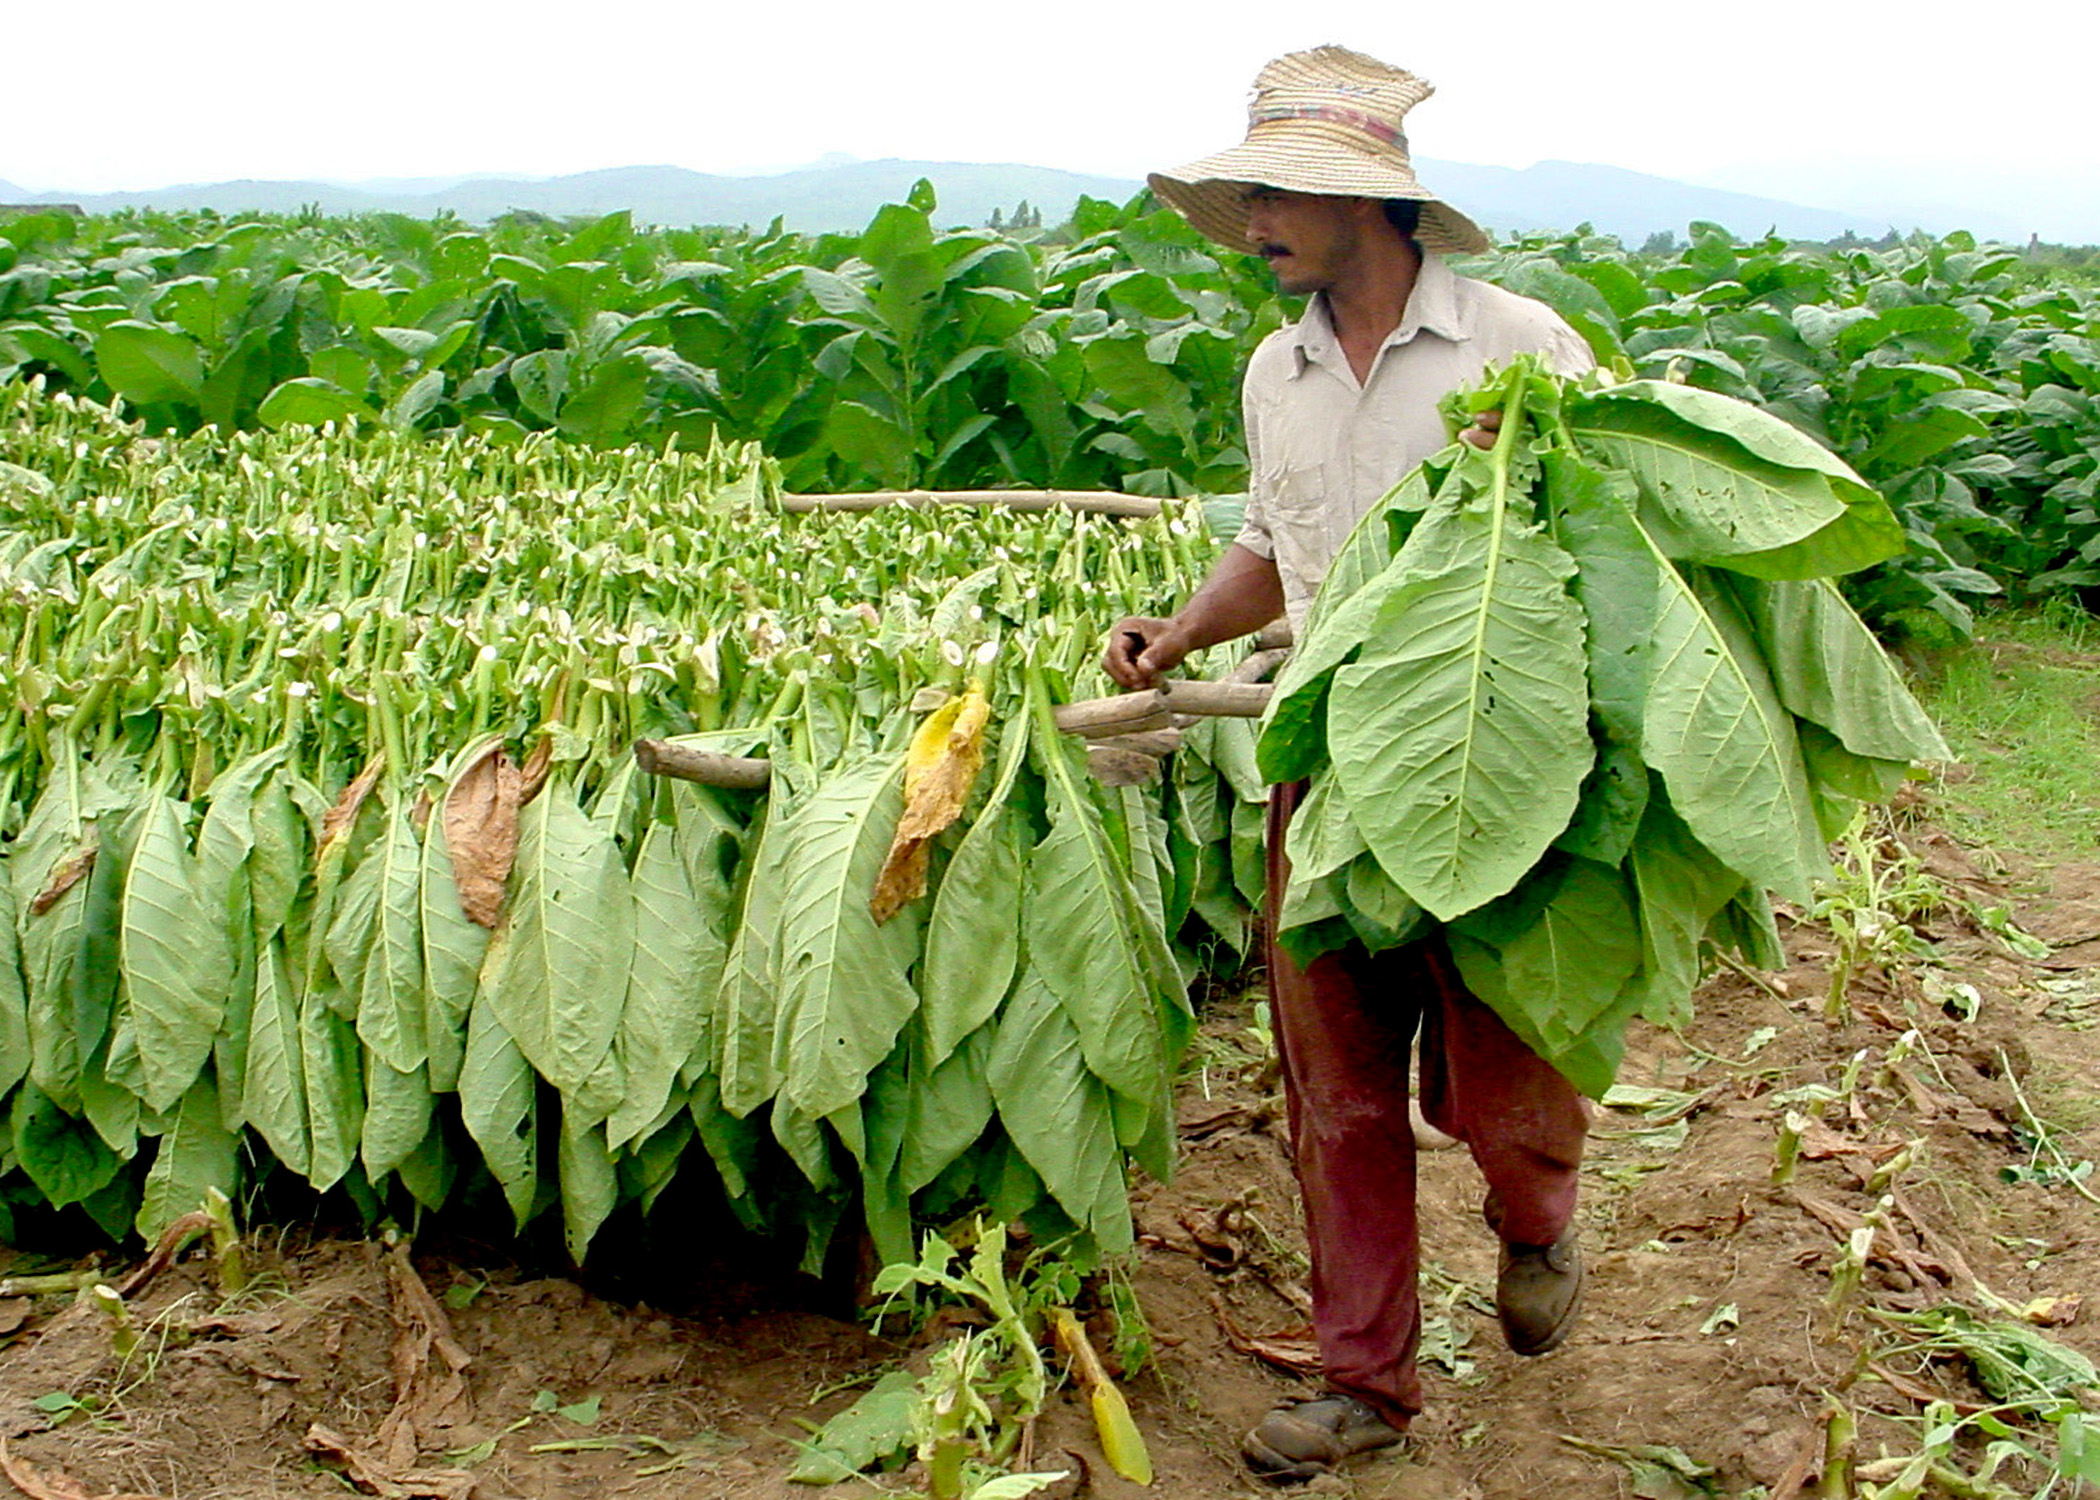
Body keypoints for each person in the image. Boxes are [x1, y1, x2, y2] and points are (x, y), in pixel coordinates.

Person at [1104, 46, 1598, 1485]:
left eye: (1278, 194)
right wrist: (1182, 632)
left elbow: (1604, 546)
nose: (1253, 219)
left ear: (1364, 206)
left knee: (1504, 1087)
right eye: (1249, 193)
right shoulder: (1281, 369)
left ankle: (1535, 1216)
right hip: (1326, 769)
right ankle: (1363, 1383)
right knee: (1338, 1093)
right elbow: (1275, 545)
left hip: (1499, 763)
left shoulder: (1520, 345)